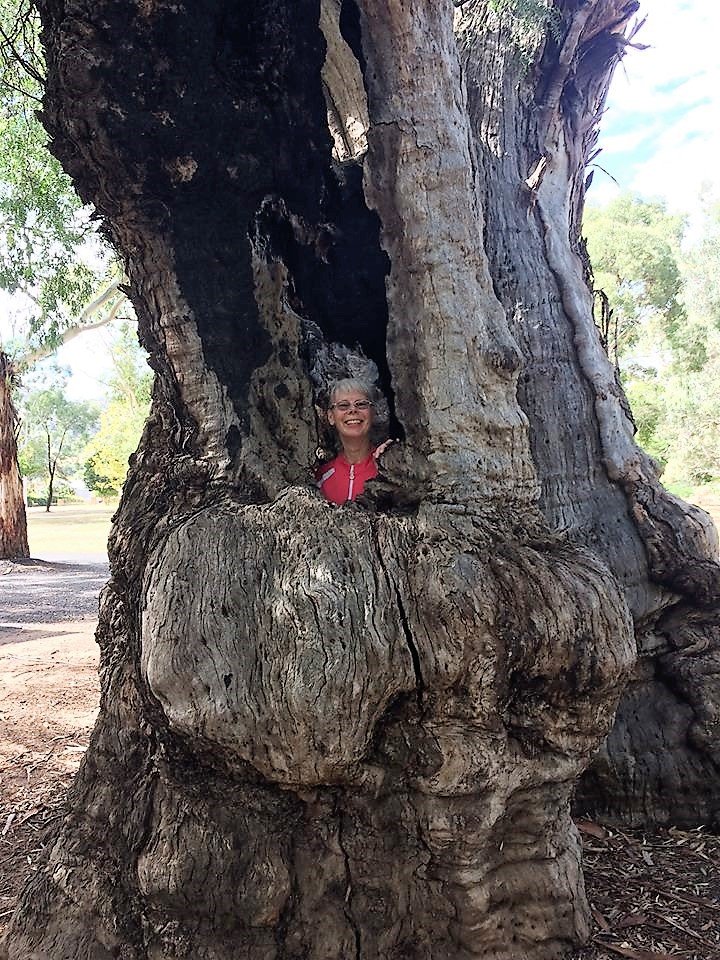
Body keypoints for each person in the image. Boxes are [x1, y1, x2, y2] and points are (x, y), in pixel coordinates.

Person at [316, 378, 392, 504]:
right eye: (343, 405)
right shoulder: (320, 478)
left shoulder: (389, 471)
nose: (352, 410)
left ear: (372, 413)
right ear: (331, 417)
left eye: (361, 404)